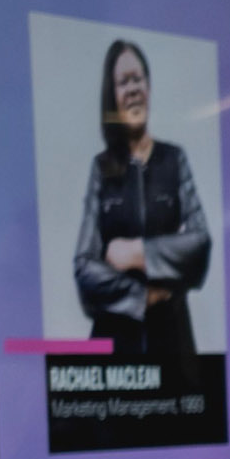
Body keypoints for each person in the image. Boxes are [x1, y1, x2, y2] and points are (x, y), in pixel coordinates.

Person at [72, 39, 209, 373]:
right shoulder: (101, 168)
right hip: (116, 354)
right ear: (113, 95)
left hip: (173, 347)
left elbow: (199, 243)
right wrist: (141, 297)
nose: (132, 88)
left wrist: (137, 253)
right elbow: (84, 267)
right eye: (123, 82)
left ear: (149, 86)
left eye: (138, 78)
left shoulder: (174, 160)